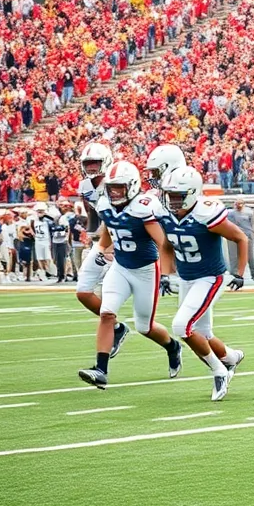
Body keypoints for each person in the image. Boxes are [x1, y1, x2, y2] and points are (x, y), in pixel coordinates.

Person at [78, 161, 186, 389]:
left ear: (133, 186)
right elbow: (110, 229)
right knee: (107, 313)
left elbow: (163, 243)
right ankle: (101, 370)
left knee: (144, 326)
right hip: (120, 267)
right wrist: (100, 250)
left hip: (146, 270)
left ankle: (172, 347)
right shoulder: (106, 204)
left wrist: (166, 274)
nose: (114, 192)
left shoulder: (143, 207)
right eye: (112, 187)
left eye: (120, 187)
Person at [158, 166, 247, 401]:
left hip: (210, 277)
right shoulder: (167, 215)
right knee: (202, 334)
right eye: (170, 195)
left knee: (181, 327)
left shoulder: (205, 214)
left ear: (192, 192)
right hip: (187, 278)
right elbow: (167, 246)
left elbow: (240, 237)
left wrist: (239, 272)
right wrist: (166, 275)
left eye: (177, 195)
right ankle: (230, 357)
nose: (172, 200)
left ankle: (219, 371)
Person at [74, 143, 128, 354]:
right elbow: (94, 214)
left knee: (144, 321)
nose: (91, 167)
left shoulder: (116, 182)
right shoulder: (85, 186)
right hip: (104, 239)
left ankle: (170, 345)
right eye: (88, 163)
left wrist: (111, 244)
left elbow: (124, 217)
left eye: (95, 163)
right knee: (83, 291)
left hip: (123, 239)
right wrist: (93, 236)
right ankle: (116, 327)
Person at [225, 198, 254, 281]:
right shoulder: (229, 213)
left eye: (240, 203)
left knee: (250, 256)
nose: (238, 205)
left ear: (244, 204)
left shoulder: (250, 212)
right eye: (237, 203)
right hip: (233, 235)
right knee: (233, 256)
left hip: (247, 235)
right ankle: (234, 274)